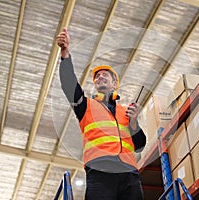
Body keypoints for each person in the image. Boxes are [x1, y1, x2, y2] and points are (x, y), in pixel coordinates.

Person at [56, 27, 146, 200]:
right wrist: (65, 54)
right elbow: (69, 84)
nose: (100, 78)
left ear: (114, 85)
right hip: (100, 171)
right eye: (97, 77)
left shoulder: (126, 112)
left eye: (105, 75)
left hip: (129, 173)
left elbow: (140, 145)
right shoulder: (86, 106)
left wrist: (134, 123)